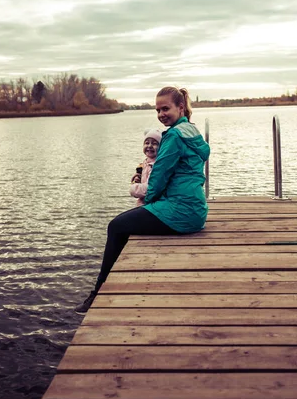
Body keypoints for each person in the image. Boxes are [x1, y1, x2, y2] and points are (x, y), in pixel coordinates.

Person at [75, 86, 210, 314]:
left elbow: (157, 180)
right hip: (195, 208)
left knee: (116, 226)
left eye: (165, 108)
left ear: (180, 107)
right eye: (157, 110)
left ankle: (97, 294)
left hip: (180, 211)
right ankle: (112, 286)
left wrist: (147, 200)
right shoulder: (191, 131)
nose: (161, 114)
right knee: (127, 222)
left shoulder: (174, 136)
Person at [129, 128, 162, 207]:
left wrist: (133, 189)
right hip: (144, 203)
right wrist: (138, 178)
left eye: (154, 143)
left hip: (152, 204)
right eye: (146, 143)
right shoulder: (146, 162)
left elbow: (150, 187)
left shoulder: (157, 164)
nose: (149, 146)